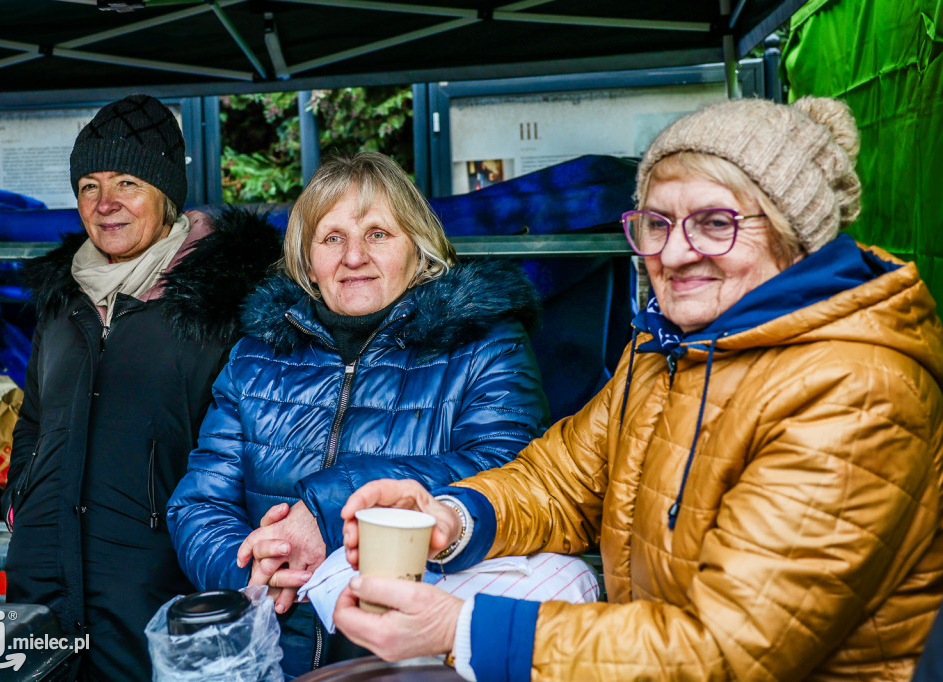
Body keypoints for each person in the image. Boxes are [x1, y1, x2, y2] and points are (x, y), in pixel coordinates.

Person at [332, 97, 943, 681]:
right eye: (657, 223)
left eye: (714, 224)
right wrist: (451, 516)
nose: (673, 254)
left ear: (795, 234)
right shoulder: (669, 350)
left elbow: (727, 651)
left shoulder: (858, 391)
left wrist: (462, 629)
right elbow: (563, 481)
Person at [166, 151, 550, 678]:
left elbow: (511, 471)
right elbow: (199, 503)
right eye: (332, 238)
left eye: (377, 234)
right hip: (276, 653)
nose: (353, 257)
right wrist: (252, 567)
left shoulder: (485, 343)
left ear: (418, 248)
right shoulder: (256, 356)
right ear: (307, 261)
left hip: (415, 657)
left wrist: (328, 505)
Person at [1, 93, 282, 682]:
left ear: (166, 195)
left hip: (156, 584)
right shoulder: (62, 301)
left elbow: (254, 446)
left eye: (127, 183)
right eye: (89, 186)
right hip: (42, 578)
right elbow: (34, 419)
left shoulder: (221, 303)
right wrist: (21, 501)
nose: (105, 204)